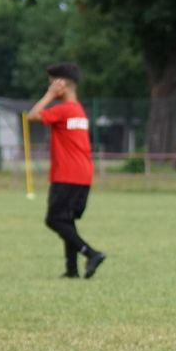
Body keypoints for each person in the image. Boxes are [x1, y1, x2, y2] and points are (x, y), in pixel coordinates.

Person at [27, 62, 106, 279]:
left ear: (61, 84)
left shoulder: (63, 110)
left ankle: (91, 253)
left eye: (51, 83)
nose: (50, 86)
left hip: (67, 175)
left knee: (54, 220)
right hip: (82, 175)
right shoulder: (78, 110)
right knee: (67, 220)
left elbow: (32, 116)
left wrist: (49, 95)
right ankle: (72, 270)